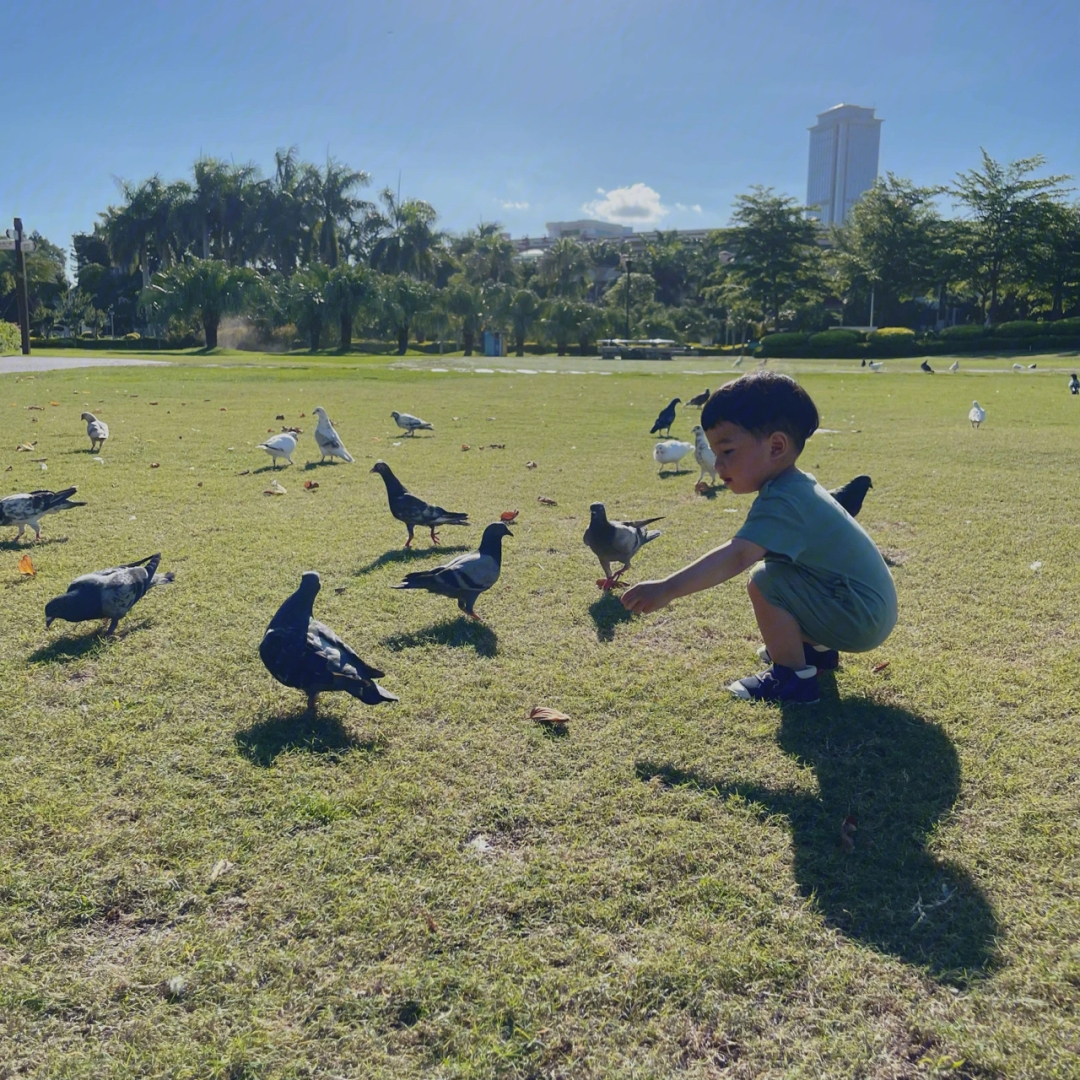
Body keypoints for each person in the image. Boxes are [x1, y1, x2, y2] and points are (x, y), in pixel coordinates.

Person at [621, 372, 897, 703]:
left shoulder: (784, 499)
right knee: (782, 571)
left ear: (776, 446)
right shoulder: (796, 485)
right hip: (864, 610)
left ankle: (792, 680)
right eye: (713, 452)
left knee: (766, 580)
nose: (718, 464)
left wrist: (667, 588)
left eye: (727, 451)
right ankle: (816, 652)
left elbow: (737, 555)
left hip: (859, 618)